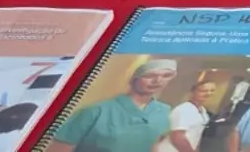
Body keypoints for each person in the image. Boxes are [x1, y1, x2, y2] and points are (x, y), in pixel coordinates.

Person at [45, 58, 176, 152]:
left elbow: (155, 145)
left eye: (166, 75)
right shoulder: (95, 111)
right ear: (134, 79)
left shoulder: (165, 112)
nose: (158, 81)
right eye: (150, 75)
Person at [157, 80, 214, 152]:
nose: (208, 94)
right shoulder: (184, 109)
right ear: (193, 92)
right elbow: (177, 137)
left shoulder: (203, 112)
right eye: (203, 91)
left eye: (212, 91)